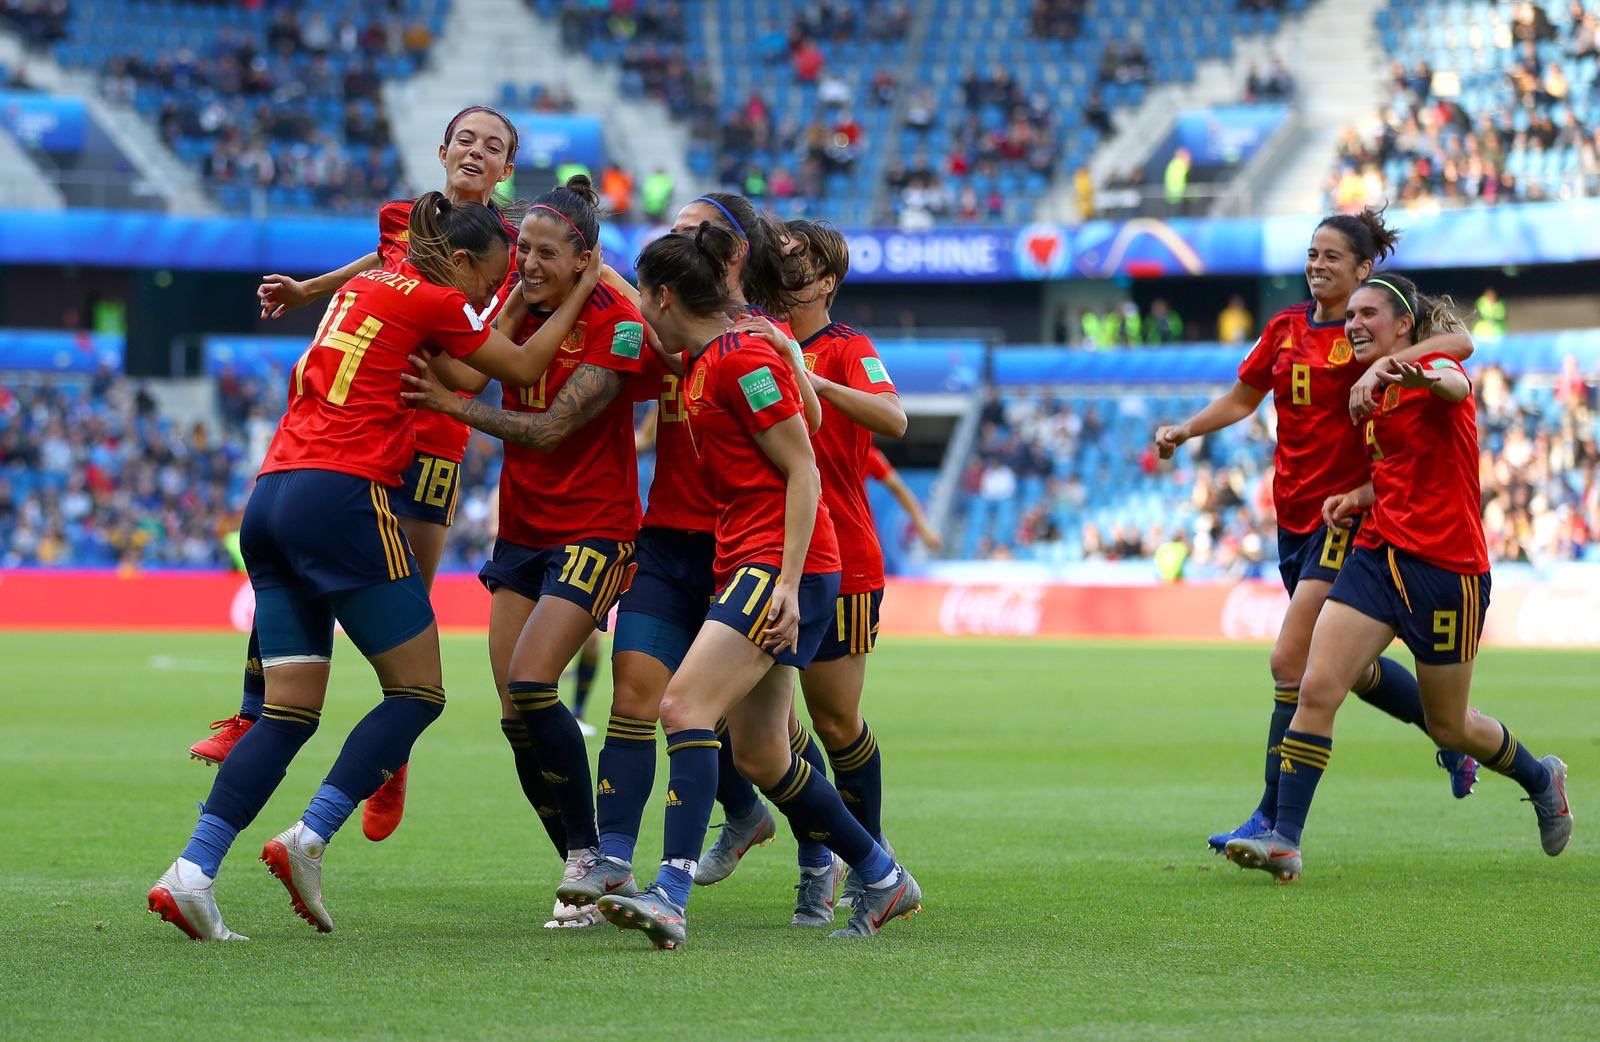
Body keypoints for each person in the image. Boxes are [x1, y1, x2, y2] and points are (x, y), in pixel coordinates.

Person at [148, 194, 581, 941]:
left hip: (270, 495)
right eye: (493, 278)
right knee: (418, 692)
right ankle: (310, 836)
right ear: (468, 261)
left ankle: (192, 871)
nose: (489, 295)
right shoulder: (439, 296)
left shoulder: (364, 287)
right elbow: (516, 364)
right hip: (343, 497)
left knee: (288, 712)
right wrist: (576, 289)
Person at [187, 106, 598, 847]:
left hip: (435, 426)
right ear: (442, 151)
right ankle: (253, 711)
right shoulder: (409, 220)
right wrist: (311, 291)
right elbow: (382, 264)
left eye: (494, 146)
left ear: (507, 171)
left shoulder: (517, 240)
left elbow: (564, 278)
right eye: (466, 139)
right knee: (309, 567)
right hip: (364, 420)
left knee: (405, 590)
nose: (477, 151)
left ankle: (392, 754)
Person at [589, 226, 921, 949]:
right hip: (749, 559)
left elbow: (805, 468)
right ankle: (883, 875)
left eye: (642, 295)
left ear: (664, 296)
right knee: (764, 754)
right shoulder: (719, 355)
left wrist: (789, 586)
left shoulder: (738, 360)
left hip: (776, 565)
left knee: (682, 704)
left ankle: (670, 891)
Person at [1153, 207, 1480, 855]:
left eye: (1332, 256)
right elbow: (1244, 399)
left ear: (1364, 270)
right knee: (1346, 675)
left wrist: (1388, 367)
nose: (1317, 265)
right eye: (1311, 254)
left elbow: (1458, 346)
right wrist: (1186, 429)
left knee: (1288, 661)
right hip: (1296, 517)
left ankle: (1272, 821)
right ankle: (1457, 741)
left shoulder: (1374, 337)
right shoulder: (1283, 329)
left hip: (1352, 513)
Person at [1226, 276, 1571, 880]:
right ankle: (1285, 838)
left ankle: (1542, 779)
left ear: (1403, 325)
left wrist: (1410, 372)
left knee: (1450, 725)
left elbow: (1455, 378)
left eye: (1368, 314)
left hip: (1447, 570)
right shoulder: (1367, 393)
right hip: (1378, 555)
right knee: (1318, 684)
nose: (1354, 324)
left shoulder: (1430, 368)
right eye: (1351, 314)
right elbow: (1399, 471)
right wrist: (1357, 494)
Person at [552, 192, 819, 918]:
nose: (680, 240)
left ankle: (825, 853)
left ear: (734, 253)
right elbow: (616, 312)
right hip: (668, 536)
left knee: (767, 734)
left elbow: (806, 450)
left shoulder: (758, 340)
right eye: (674, 233)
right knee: (636, 695)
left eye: (695, 232)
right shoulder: (665, 320)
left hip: (740, 549)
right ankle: (614, 860)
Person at [401, 175, 642, 929]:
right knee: (513, 714)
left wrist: (451, 408)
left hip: (596, 528)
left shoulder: (619, 319)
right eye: (523, 251)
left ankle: (591, 865)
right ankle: (588, 866)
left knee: (536, 683)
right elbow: (471, 368)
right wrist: (505, 306)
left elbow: (544, 428)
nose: (528, 264)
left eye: (544, 253)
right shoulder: (518, 300)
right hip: (524, 532)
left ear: (585, 259)